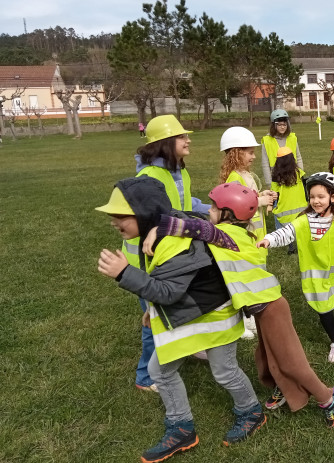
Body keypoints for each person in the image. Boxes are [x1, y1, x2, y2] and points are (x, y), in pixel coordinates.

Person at [144, 182, 334, 426]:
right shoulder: (236, 232)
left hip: (272, 308)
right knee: (266, 357)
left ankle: (329, 397)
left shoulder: (227, 236)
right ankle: (284, 387)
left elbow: (200, 228)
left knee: (292, 362)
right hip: (260, 309)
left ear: (227, 214)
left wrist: (160, 228)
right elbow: (202, 221)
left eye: (213, 206)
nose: (209, 210)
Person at [96, 178, 264, 462]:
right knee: (161, 371)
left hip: (214, 316)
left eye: (121, 214)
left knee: (223, 371)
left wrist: (124, 274)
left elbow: (169, 291)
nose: (114, 221)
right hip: (193, 313)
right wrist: (152, 310)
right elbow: (165, 282)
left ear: (145, 213)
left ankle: (251, 412)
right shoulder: (159, 233)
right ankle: (181, 427)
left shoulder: (174, 244)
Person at [124, 114, 211, 393]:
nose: (188, 140)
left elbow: (186, 203)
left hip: (174, 250)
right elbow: (154, 220)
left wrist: (212, 209)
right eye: (181, 136)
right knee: (155, 316)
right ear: (164, 142)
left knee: (182, 305)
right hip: (149, 260)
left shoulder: (179, 171)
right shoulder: (150, 177)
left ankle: (189, 347)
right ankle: (145, 377)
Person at [258, 173, 334, 362]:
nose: (315, 201)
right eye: (312, 196)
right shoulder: (304, 220)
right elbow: (287, 232)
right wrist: (269, 239)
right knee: (323, 309)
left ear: (333, 197)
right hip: (317, 278)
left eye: (321, 197)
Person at [218, 126, 278, 338]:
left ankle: (249, 316)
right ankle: (241, 320)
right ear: (236, 152)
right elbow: (235, 209)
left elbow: (249, 197)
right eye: (249, 152)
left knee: (253, 275)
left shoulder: (245, 175)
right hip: (245, 237)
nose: (254, 156)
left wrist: (261, 195)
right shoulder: (235, 177)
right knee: (242, 278)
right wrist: (260, 200)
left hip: (255, 236)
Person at [271, 146, 308, 254]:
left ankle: (291, 248)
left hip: (284, 210)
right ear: (292, 159)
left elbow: (275, 193)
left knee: (286, 230)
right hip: (301, 208)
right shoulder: (299, 173)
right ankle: (303, 247)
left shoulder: (276, 176)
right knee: (301, 229)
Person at [260, 109, 304, 189]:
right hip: (276, 178)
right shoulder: (267, 141)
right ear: (274, 125)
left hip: (292, 176)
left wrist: (300, 174)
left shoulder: (292, 138)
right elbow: (265, 164)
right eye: (279, 125)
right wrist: (269, 183)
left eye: (284, 125)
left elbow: (298, 157)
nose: (282, 127)